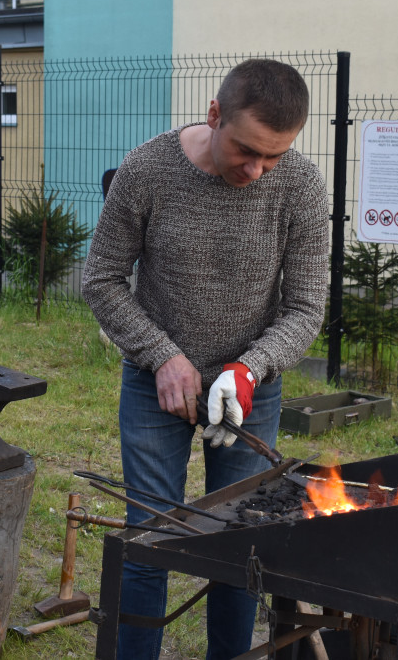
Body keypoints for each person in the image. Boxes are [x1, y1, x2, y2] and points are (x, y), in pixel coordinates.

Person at [81, 58, 330, 659]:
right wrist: (163, 356)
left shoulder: (300, 186)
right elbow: (103, 279)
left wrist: (250, 367)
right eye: (246, 150)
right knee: (151, 543)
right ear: (214, 114)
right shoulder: (147, 170)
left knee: (241, 551)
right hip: (154, 386)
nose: (257, 169)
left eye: (273, 156)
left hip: (251, 390)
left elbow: (305, 308)